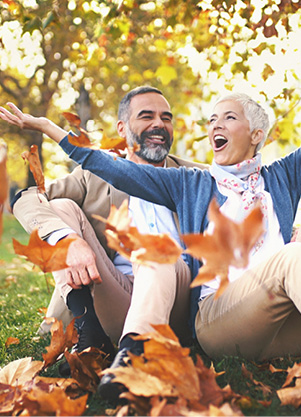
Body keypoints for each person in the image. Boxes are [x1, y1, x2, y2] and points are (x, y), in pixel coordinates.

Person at [2, 29, 301, 401]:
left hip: (276, 316)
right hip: (206, 313)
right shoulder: (189, 184)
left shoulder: (274, 175)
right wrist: (52, 130)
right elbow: (106, 168)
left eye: (227, 117)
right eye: (211, 119)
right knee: (259, 257)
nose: (213, 124)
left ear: (256, 135)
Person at [8, 86, 206, 385]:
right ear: (122, 128)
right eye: (147, 116)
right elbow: (27, 198)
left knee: (156, 252)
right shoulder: (97, 173)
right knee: (60, 208)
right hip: (114, 296)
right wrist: (68, 240)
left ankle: (134, 355)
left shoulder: (195, 176)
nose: (159, 124)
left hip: (174, 300)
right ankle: (90, 337)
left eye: (166, 117)